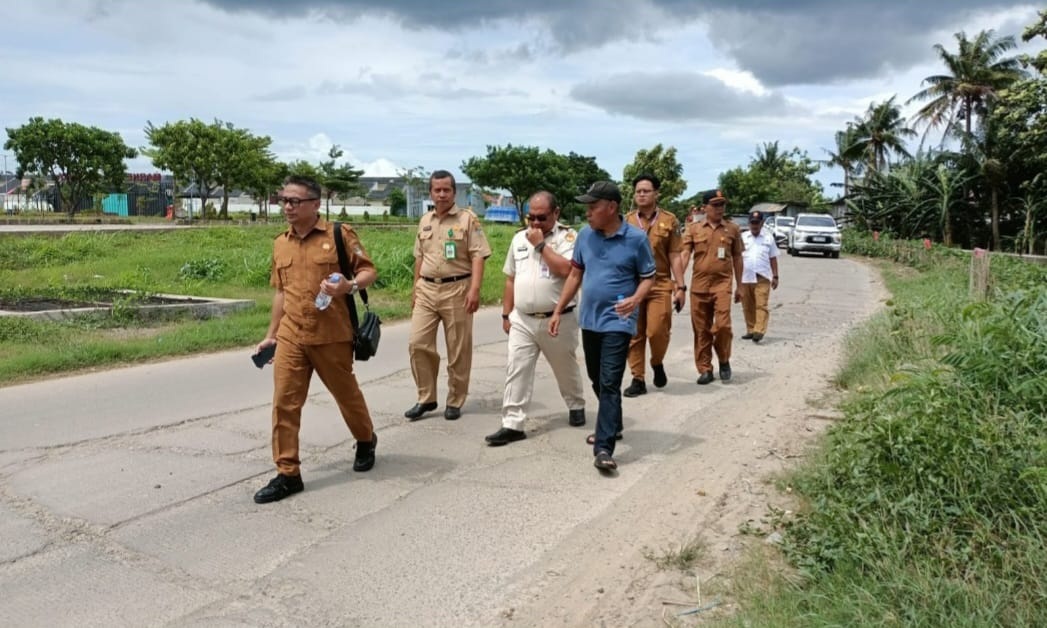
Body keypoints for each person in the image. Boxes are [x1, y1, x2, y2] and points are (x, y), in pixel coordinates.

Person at [252, 175, 379, 504]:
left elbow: (368, 271)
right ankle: (288, 474)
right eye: (284, 200)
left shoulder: (339, 234)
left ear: (314, 204)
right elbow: (281, 293)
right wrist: (270, 336)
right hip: (292, 335)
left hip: (331, 335)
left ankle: (366, 439)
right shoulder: (280, 243)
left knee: (346, 395)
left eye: (295, 201)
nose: (288, 207)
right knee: (284, 403)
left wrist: (349, 286)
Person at [548, 181, 656, 472]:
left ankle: (604, 447)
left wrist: (635, 299)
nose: (588, 212)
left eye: (593, 207)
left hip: (618, 321)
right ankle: (614, 422)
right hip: (590, 319)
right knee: (596, 377)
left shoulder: (636, 239)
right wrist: (558, 311)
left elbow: (648, 277)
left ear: (611, 207)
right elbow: (575, 275)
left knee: (609, 381)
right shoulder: (585, 236)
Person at [485, 192, 586, 446]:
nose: (536, 223)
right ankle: (512, 423)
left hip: (558, 319)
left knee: (565, 367)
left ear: (556, 213)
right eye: (532, 218)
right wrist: (506, 313)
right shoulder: (519, 238)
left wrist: (541, 246)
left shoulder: (568, 238)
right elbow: (510, 278)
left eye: (542, 217)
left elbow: (567, 270)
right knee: (516, 368)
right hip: (522, 319)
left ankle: (575, 404)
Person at [405, 170, 491, 421]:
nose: (442, 194)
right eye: (437, 190)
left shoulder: (467, 219)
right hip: (426, 289)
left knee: (458, 349)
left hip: (457, 289)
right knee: (417, 343)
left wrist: (475, 289)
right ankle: (426, 397)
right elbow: (419, 257)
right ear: (430, 193)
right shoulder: (425, 220)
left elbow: (478, 255)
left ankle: (455, 399)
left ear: (454, 192)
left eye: (446, 190)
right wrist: (415, 288)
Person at [622, 174, 686, 397]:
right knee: (634, 334)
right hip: (632, 285)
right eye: (638, 191)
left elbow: (675, 254)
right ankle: (637, 378)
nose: (641, 195)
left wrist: (681, 287)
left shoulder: (669, 220)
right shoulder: (626, 221)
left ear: (656, 193)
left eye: (646, 191)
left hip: (659, 284)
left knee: (658, 330)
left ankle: (657, 362)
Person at [681, 189, 743, 385]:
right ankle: (705, 368)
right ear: (705, 207)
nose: (719, 208)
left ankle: (724, 359)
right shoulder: (693, 229)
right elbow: (684, 255)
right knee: (701, 330)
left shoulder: (732, 229)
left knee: (723, 326)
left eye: (722, 204)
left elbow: (737, 257)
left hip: (722, 285)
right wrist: (678, 282)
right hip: (699, 286)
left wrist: (740, 286)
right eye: (715, 205)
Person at [740, 210, 780, 343]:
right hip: (746, 276)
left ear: (762, 223)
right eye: (752, 223)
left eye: (757, 223)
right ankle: (751, 329)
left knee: (761, 304)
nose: (754, 225)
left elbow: (773, 257)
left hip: (762, 277)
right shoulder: (743, 237)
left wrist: (775, 276)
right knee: (747, 305)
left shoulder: (768, 238)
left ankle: (759, 330)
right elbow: (737, 257)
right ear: (749, 223)